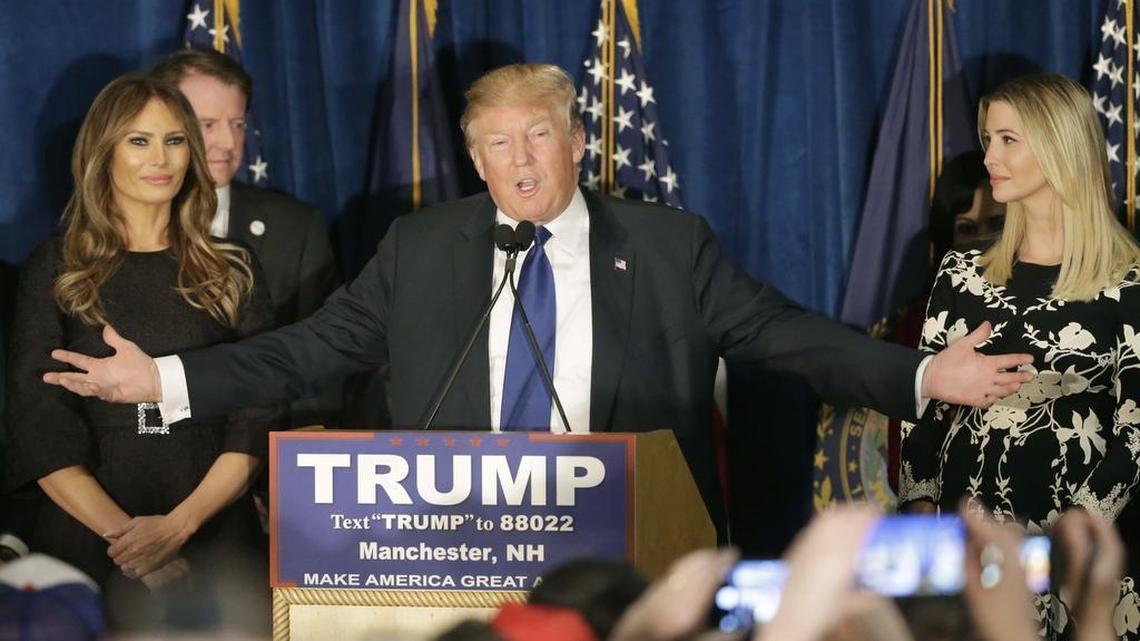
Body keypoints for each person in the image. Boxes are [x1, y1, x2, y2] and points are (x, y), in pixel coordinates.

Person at [41, 63, 1033, 537]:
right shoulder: (421, 247)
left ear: (576, 141)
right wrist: (164, 378)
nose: (520, 161)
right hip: (456, 543)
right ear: (474, 160)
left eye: (539, 136)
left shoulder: (666, 244)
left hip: (629, 540)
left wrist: (921, 375)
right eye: (497, 144)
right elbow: (305, 350)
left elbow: (783, 334)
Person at [3, 72, 282, 631]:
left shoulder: (233, 268)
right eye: (139, 140)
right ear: (102, 151)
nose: (161, 158)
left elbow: (259, 414)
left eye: (174, 140)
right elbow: (39, 426)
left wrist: (179, 526)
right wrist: (134, 547)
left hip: (215, 540)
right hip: (89, 546)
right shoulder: (55, 269)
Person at [899, 73, 1140, 640]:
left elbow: (1136, 429)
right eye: (988, 139)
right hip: (969, 536)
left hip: (1080, 549)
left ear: (1060, 147)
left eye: (1008, 140)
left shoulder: (1128, 282)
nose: (989, 157)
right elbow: (924, 404)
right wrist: (919, 510)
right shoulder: (960, 272)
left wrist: (1078, 532)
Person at [150, 47, 342, 427]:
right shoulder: (120, 228)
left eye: (237, 124)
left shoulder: (295, 229)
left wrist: (296, 449)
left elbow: (325, 355)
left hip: (268, 444)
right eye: (207, 124)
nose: (228, 142)